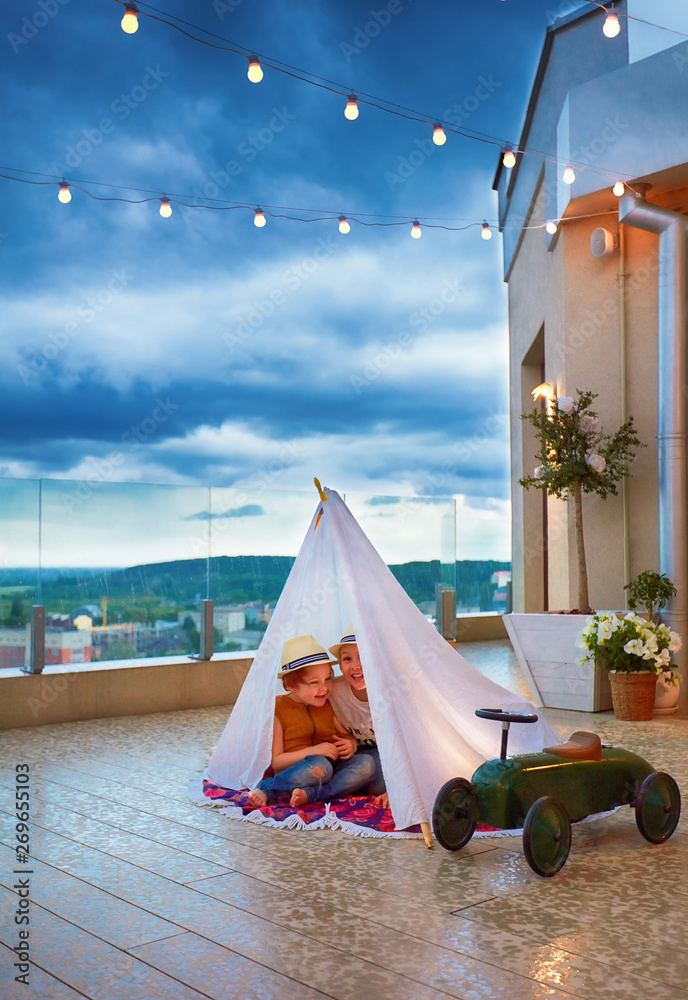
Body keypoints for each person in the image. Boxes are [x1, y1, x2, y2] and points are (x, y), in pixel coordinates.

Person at [247, 634, 376, 809]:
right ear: (289, 685)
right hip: (300, 772)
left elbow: (346, 735)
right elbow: (276, 761)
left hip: (331, 767)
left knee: (366, 763)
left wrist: (350, 744)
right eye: (314, 682)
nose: (324, 688)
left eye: (328, 679)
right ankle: (269, 788)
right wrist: (315, 750)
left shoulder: (327, 704)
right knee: (320, 765)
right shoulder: (279, 711)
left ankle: (313, 795)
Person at [328, 625, 389, 809]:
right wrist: (351, 741)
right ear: (340, 664)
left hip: (389, 758)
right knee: (365, 764)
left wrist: (398, 790)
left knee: (381, 783)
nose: (356, 665)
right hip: (357, 758)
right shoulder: (334, 690)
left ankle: (331, 791)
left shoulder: (390, 691)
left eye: (364, 656)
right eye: (347, 659)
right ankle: (317, 793)